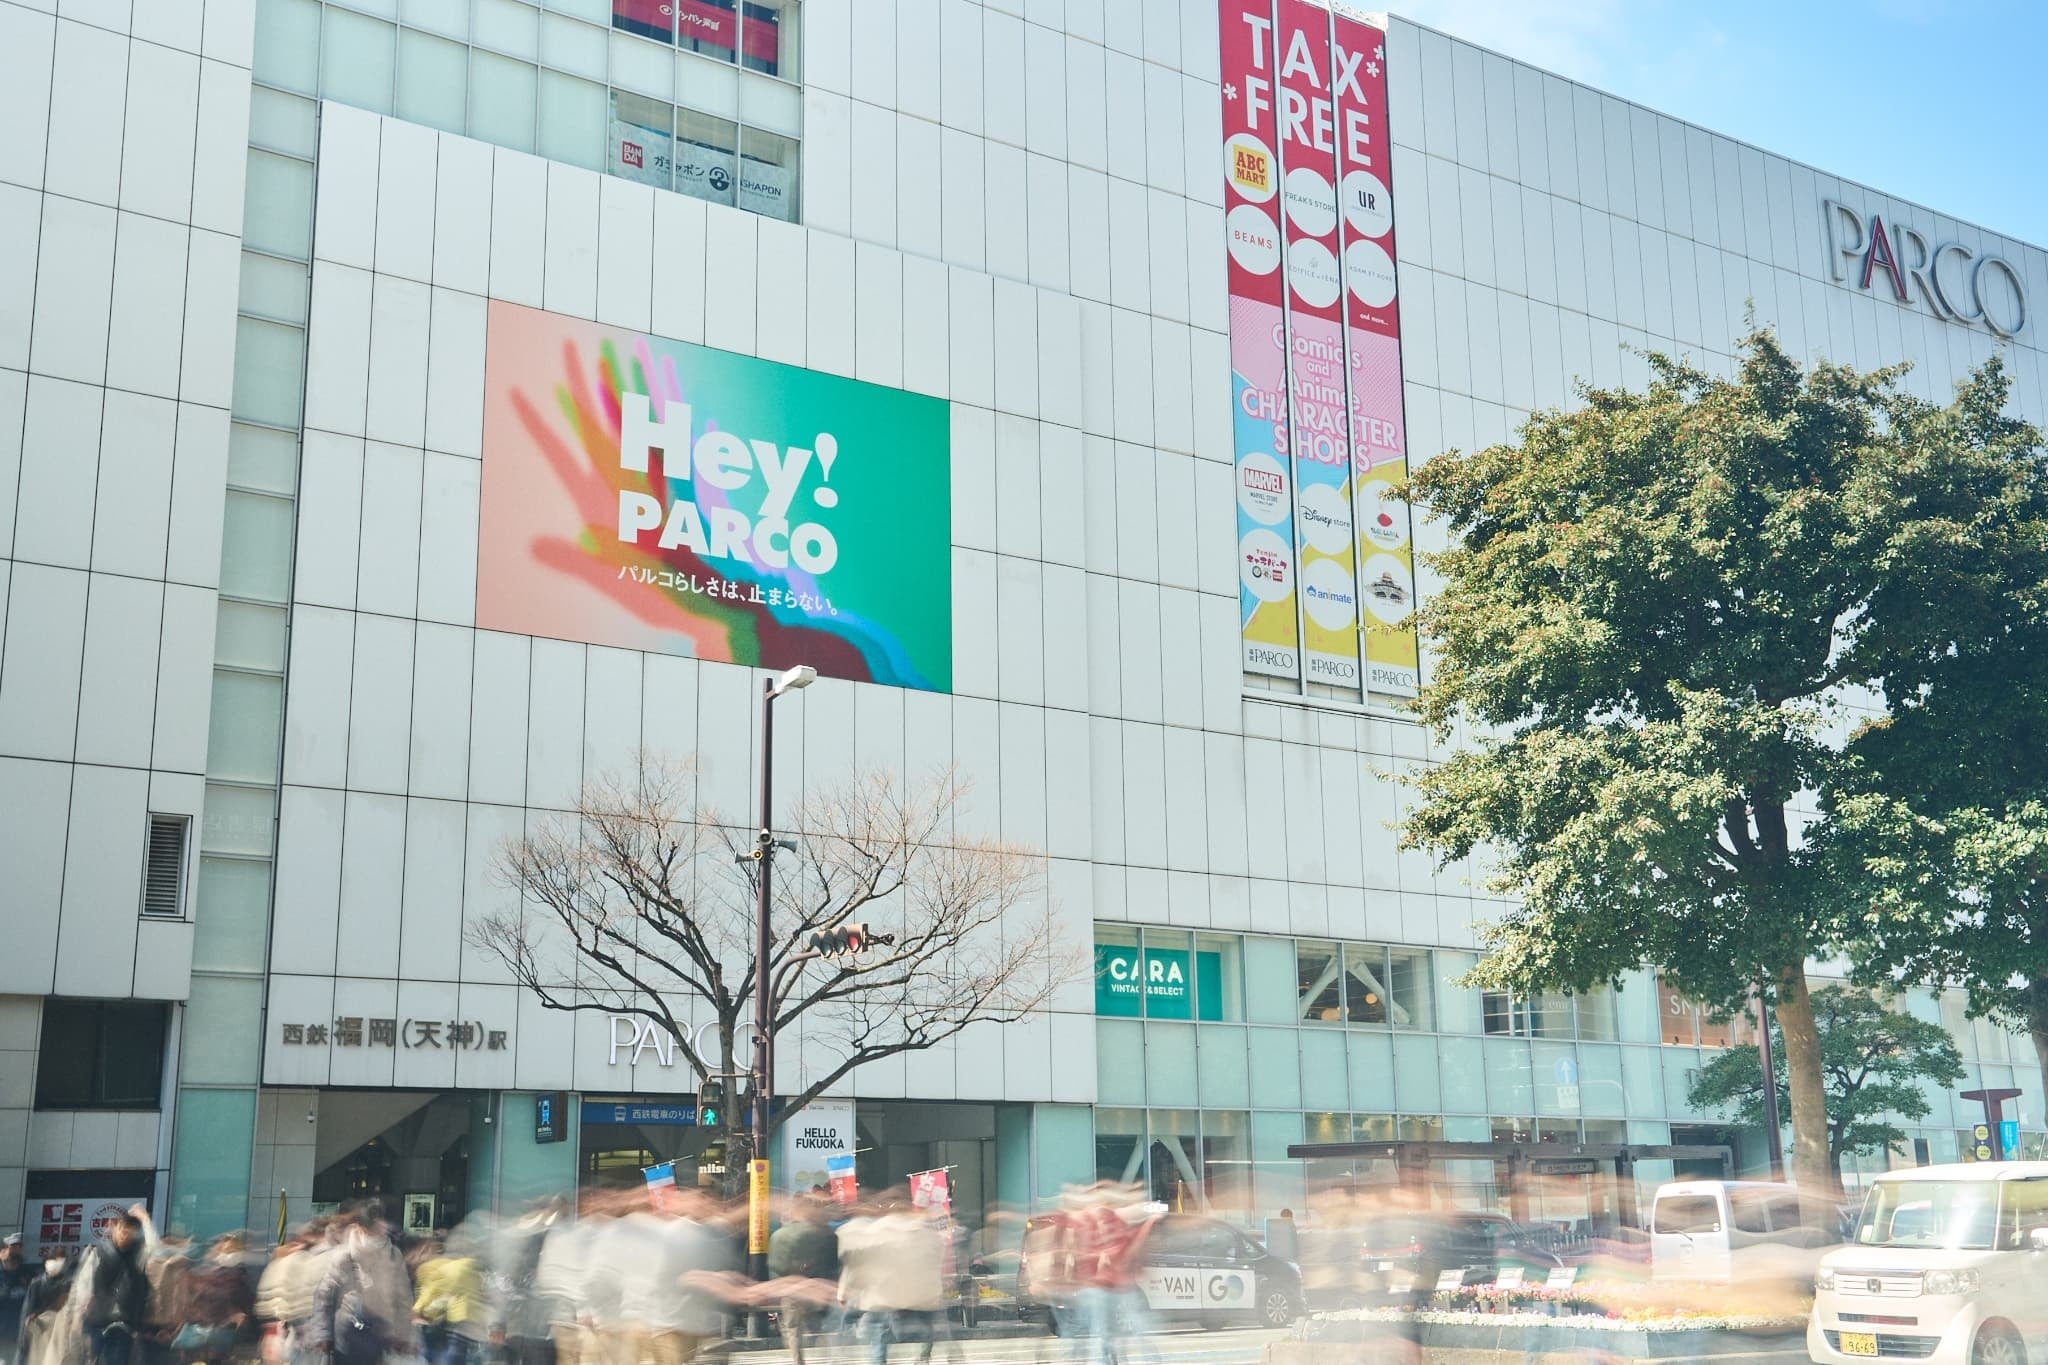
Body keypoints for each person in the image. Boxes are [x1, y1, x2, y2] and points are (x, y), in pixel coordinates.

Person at [306, 1208, 414, 1365]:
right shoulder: (345, 1254)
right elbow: (324, 1295)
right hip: (349, 1333)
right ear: (362, 1227)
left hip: (381, 1334)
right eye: (376, 1225)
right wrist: (323, 1334)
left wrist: (405, 1336)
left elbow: (403, 1298)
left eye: (382, 1223)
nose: (382, 1228)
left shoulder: (393, 1254)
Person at [79, 1209, 156, 1365]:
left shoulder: (137, 1256)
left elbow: (153, 1248)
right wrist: (78, 1310)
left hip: (123, 1323)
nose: (124, 1236)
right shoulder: (98, 1252)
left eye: (130, 1233)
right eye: (123, 1231)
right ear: (116, 1228)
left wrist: (145, 1220)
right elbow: (83, 1283)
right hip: (97, 1320)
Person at [766, 1200, 838, 1365]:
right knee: (820, 1326)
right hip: (817, 1287)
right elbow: (830, 1261)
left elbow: (775, 1265)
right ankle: (826, 1358)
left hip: (790, 1288)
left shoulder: (780, 1235)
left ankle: (797, 1360)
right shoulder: (822, 1233)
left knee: (793, 1329)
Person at [18, 1251, 72, 1365]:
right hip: (39, 1332)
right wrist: (23, 1339)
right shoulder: (36, 1284)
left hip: (59, 1333)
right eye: (54, 1259)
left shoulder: (68, 1284)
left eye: (60, 1260)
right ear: (46, 1262)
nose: (56, 1263)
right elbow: (27, 1312)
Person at [1, 1236, 35, 1363]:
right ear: (3, 1251)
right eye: (13, 1247)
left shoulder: (29, 1275)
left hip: (20, 1335)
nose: (16, 1251)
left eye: (19, 1247)